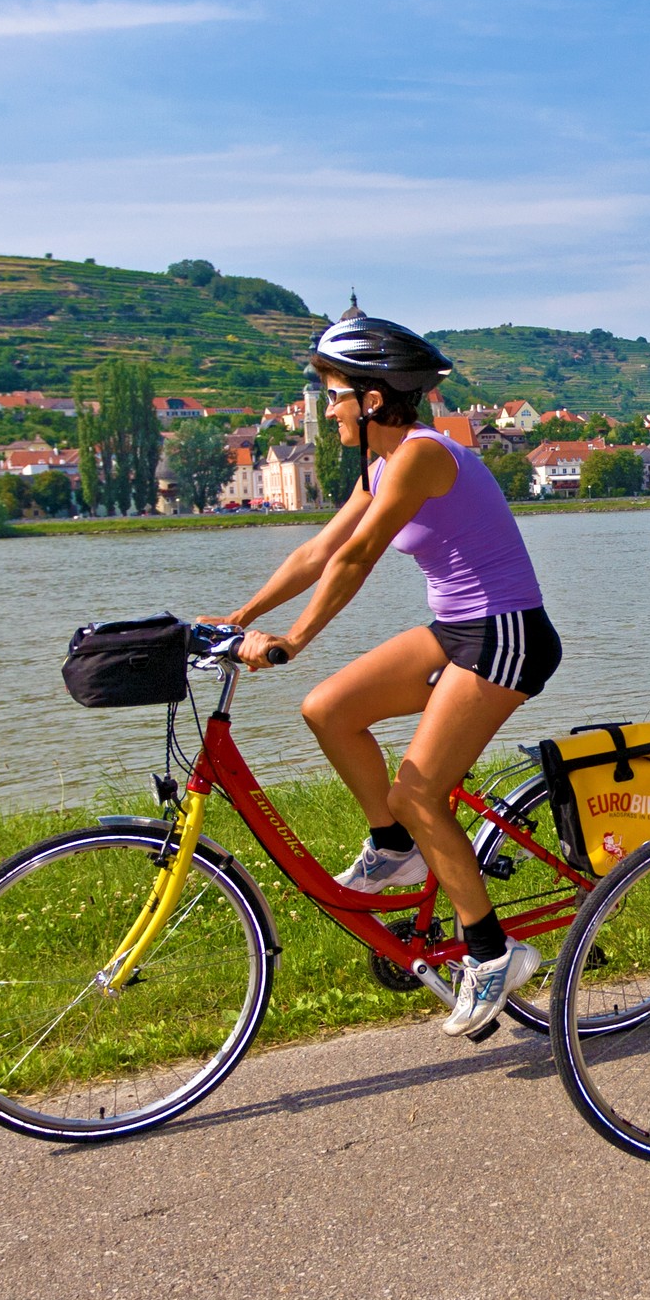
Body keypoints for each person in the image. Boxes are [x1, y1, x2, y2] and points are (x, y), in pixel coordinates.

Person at [223, 307, 564, 1038]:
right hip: (456, 631)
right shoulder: (382, 465)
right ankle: (395, 848)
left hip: (507, 634)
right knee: (329, 710)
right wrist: (238, 618)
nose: (328, 409)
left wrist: (295, 636)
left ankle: (491, 952)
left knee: (418, 789)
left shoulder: (420, 455)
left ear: (374, 397)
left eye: (335, 393)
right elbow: (321, 550)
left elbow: (360, 556)